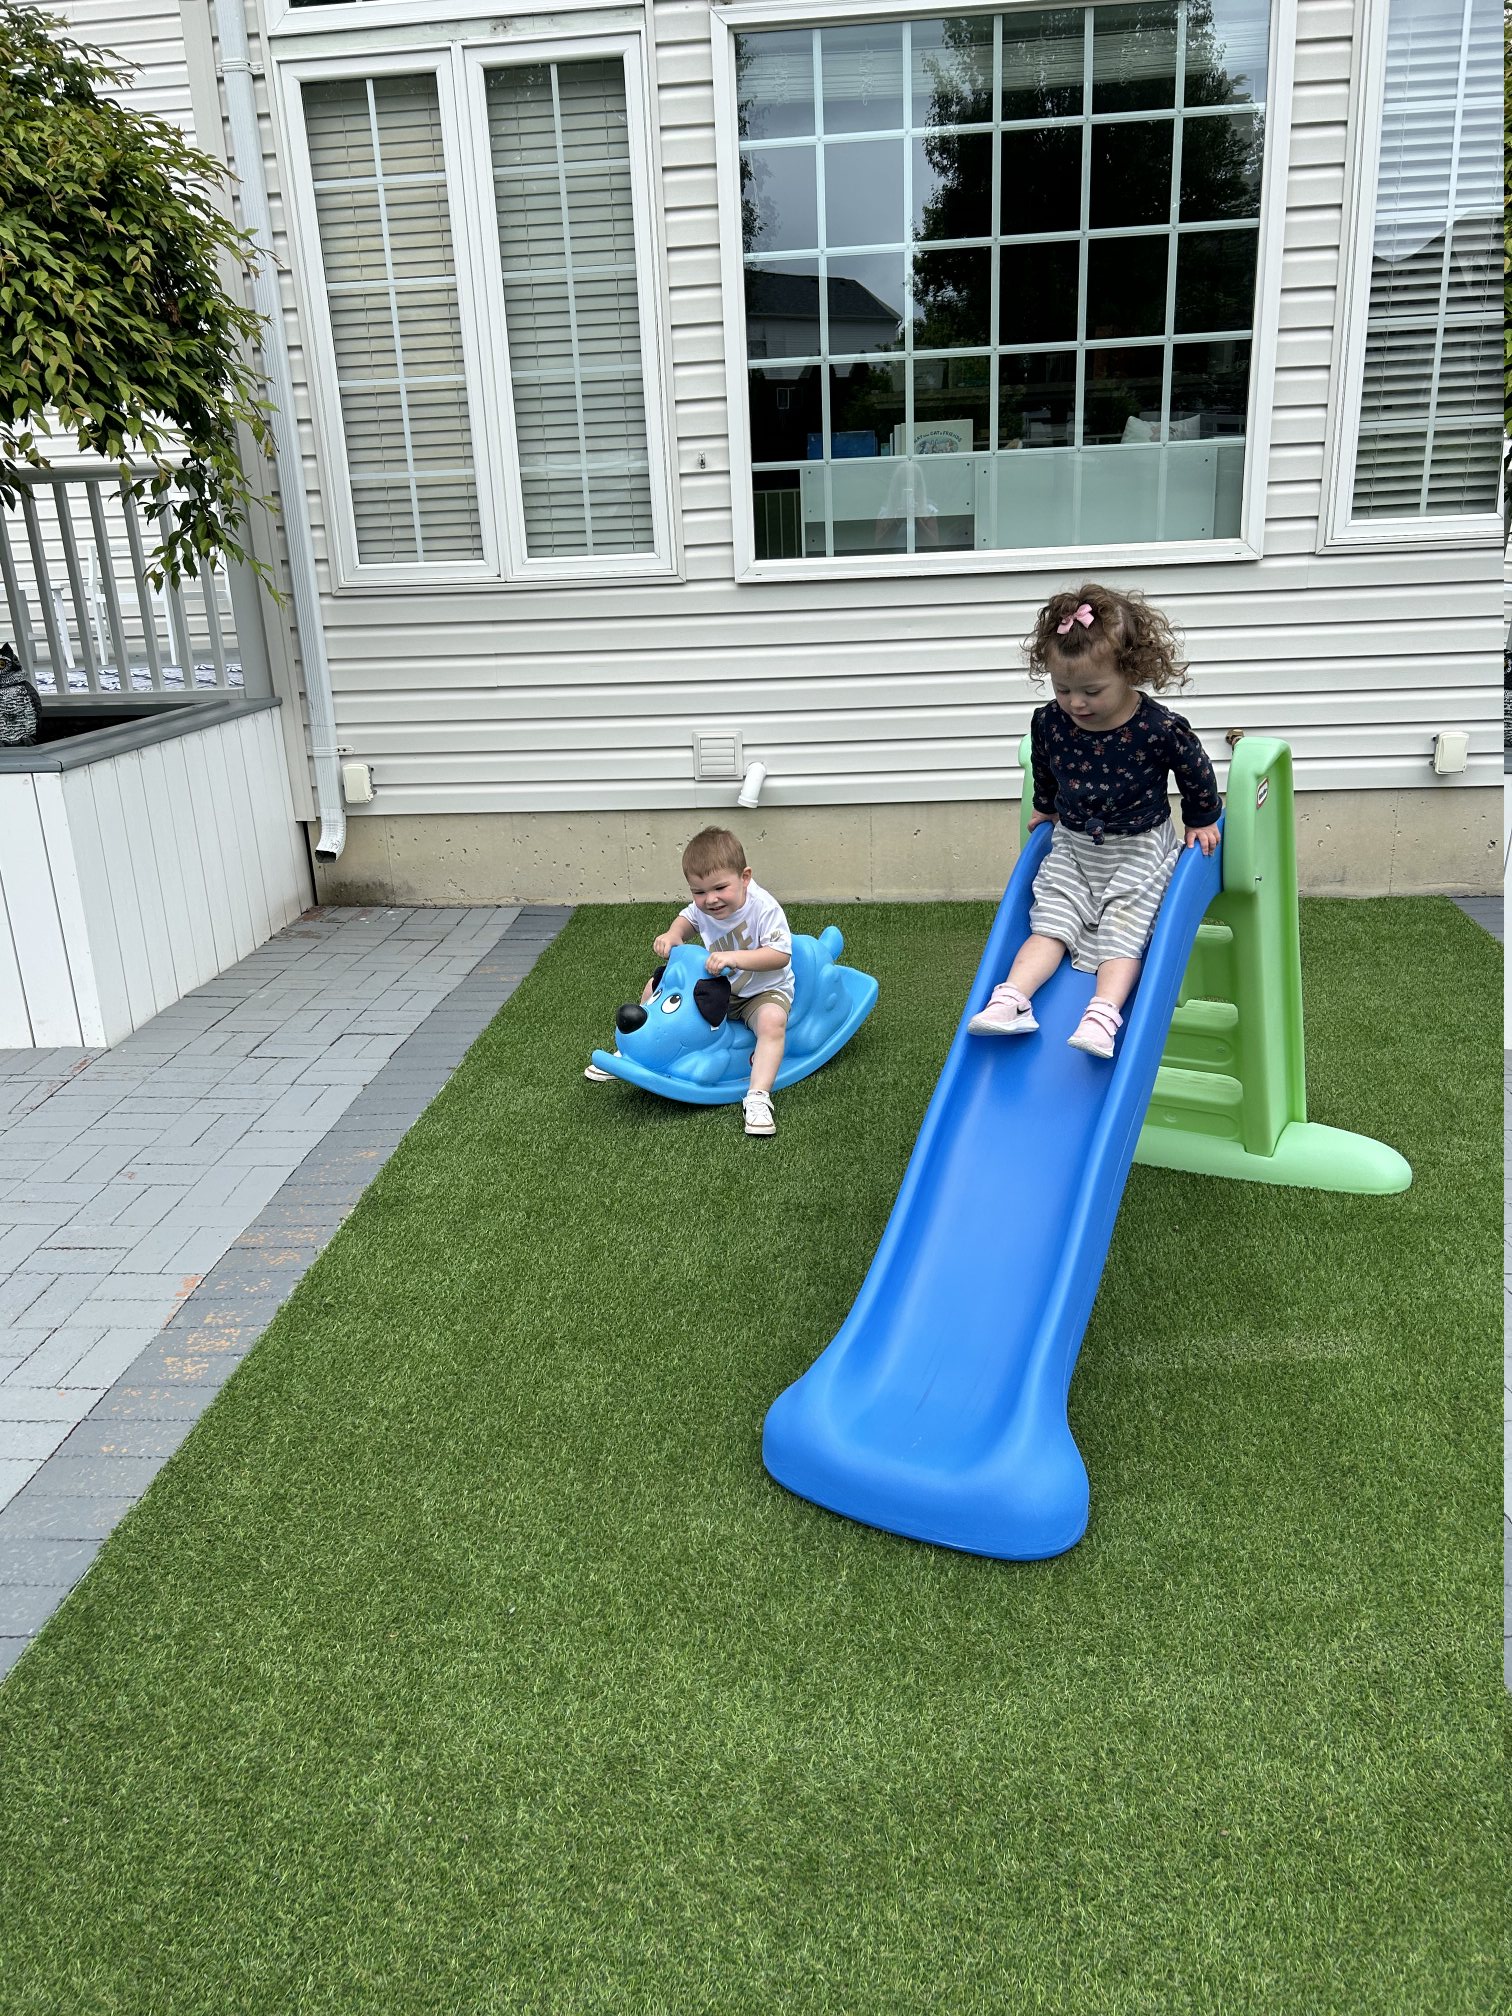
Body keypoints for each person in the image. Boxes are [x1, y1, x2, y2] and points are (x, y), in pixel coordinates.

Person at [968, 582, 1222, 1059]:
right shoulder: (1049, 722)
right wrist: (1045, 805)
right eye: (1063, 688)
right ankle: (1012, 998)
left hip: (1140, 848)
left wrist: (1202, 817)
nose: (1075, 703)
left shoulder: (1158, 727)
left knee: (1124, 927)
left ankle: (1103, 1013)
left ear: (1129, 671)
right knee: (1050, 920)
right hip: (1074, 843)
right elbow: (1043, 763)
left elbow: (1194, 766)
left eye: (1091, 690)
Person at [585, 826, 794, 1136]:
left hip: (760, 990)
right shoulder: (703, 908)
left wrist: (735, 959)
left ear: (745, 877)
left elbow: (780, 955)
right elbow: (686, 921)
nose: (710, 900)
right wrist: (673, 935)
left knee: (772, 1022)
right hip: (716, 986)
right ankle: (635, 1051)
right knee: (654, 986)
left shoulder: (764, 908)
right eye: (698, 892)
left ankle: (758, 1096)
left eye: (720, 888)